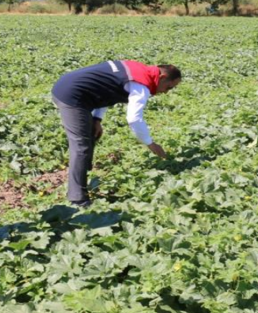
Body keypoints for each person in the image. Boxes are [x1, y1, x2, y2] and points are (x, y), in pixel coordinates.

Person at [51, 60, 182, 207]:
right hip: (71, 95)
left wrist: (97, 119)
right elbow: (134, 119)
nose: (166, 92)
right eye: (169, 87)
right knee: (81, 145)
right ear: (162, 77)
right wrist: (150, 143)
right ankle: (78, 200)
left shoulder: (137, 69)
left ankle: (83, 173)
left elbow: (106, 89)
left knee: (91, 134)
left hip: (72, 87)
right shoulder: (141, 85)